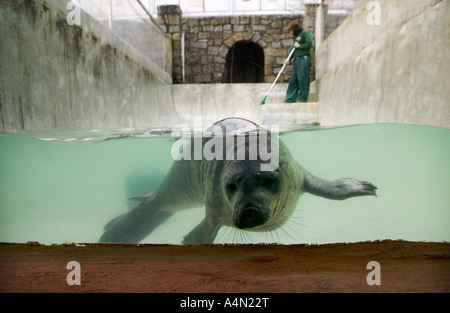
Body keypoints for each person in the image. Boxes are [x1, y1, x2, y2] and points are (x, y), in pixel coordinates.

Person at [284, 21, 312, 103]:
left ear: (295, 29)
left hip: (304, 59)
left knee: (303, 78)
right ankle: (290, 98)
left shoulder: (304, 33)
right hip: (296, 60)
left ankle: (303, 98)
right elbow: (293, 49)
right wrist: (288, 58)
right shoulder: (296, 38)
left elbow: (309, 43)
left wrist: (300, 46)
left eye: (291, 30)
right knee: (293, 80)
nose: (291, 32)